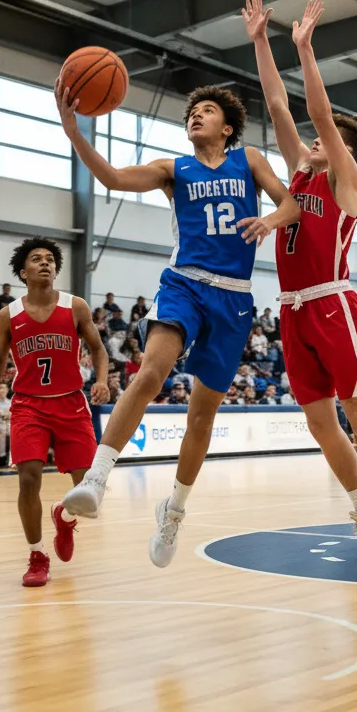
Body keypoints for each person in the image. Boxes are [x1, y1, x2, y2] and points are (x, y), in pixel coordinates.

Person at [55, 76, 298, 571]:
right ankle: (96, 479)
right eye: (192, 112)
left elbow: (291, 205)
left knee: (202, 417)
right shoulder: (174, 170)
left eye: (207, 110)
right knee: (151, 372)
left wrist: (269, 221)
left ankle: (173, 511)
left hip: (233, 297)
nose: (196, 115)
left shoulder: (249, 159)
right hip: (184, 282)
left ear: (227, 128)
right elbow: (113, 178)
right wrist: (74, 131)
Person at [244, 0, 357, 579]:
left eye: (328, 139)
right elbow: (277, 105)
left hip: (332, 304)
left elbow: (317, 116)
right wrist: (261, 41)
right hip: (292, 309)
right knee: (320, 424)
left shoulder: (344, 182)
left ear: (345, 153)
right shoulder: (299, 175)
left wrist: (306, 50)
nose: (314, 140)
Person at [0, 238, 109, 587]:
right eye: (36, 259)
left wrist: (101, 380)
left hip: (71, 403)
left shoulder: (75, 306)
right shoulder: (9, 314)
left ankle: (63, 517)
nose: (45, 263)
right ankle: (37, 556)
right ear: (23, 272)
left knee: (90, 490)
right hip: (29, 405)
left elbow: (98, 349)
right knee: (28, 478)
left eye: (50, 259)